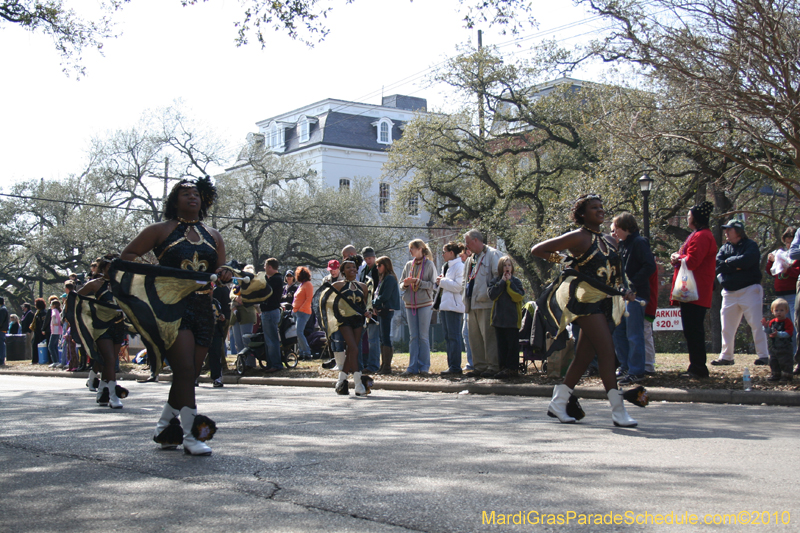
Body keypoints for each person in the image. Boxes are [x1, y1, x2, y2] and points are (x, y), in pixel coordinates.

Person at [119, 176, 231, 455]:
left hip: (205, 309)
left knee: (189, 374)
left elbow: (219, 270)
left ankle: (164, 426)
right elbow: (127, 256)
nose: (191, 197)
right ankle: (193, 436)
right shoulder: (160, 230)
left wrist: (225, 273)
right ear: (174, 201)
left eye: (196, 193)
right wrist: (158, 277)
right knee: (183, 370)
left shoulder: (213, 235)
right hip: (172, 308)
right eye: (184, 193)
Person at [531, 194, 640, 427]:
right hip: (585, 303)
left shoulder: (611, 240)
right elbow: (538, 250)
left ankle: (558, 403)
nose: (600, 210)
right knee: (607, 352)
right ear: (582, 214)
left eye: (601, 206)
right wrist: (564, 260)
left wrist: (626, 290)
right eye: (594, 208)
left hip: (605, 302)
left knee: (583, 357)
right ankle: (618, 410)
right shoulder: (579, 237)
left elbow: (618, 276)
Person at [669, 201, 717, 379]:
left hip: (695, 291)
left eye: (689, 215)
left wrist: (677, 257)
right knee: (691, 329)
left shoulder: (702, 236)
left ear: (696, 218)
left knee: (694, 329)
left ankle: (698, 367)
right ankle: (695, 366)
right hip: (693, 290)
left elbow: (692, 261)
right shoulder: (698, 234)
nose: (687, 217)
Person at [712, 219, 769, 366]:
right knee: (726, 327)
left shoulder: (751, 245)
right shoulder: (725, 248)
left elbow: (747, 261)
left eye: (729, 230)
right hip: (729, 292)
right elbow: (717, 265)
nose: (726, 233)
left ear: (738, 232)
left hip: (749, 290)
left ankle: (763, 356)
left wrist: (728, 264)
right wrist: (735, 266)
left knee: (756, 324)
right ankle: (726, 357)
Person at [76, 254, 127, 408]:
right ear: (103, 268)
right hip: (101, 326)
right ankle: (113, 396)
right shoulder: (94, 284)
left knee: (108, 362)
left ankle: (101, 394)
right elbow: (77, 299)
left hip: (118, 325)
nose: (112, 271)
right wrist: (88, 313)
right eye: (109, 268)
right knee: (110, 360)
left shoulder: (123, 283)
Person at [611, 213, 656, 384]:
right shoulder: (622, 245)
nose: (614, 232)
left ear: (625, 228)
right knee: (619, 331)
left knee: (634, 334)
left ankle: (637, 370)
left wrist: (634, 285)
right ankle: (625, 366)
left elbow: (649, 266)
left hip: (636, 296)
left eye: (616, 229)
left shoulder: (639, 242)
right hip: (622, 295)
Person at [462, 229, 503, 378]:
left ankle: (493, 366)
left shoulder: (493, 255)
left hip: (486, 303)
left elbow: (498, 279)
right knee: (474, 337)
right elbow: (465, 280)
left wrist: (487, 294)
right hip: (471, 304)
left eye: (468, 243)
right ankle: (479, 366)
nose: (467, 247)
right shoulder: (470, 259)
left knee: (489, 337)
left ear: (476, 240)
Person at [330, 260, 372, 396]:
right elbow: (328, 302)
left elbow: (366, 303)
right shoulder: (337, 285)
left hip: (358, 321)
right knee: (354, 348)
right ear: (343, 271)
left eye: (354, 267)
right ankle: (358, 384)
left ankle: (341, 380)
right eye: (348, 267)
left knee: (352, 350)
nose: (352, 269)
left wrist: (368, 311)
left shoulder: (363, 287)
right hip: (344, 321)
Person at [400, 239, 437, 376]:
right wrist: (405, 284)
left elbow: (434, 285)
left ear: (420, 249)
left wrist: (418, 282)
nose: (410, 251)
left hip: (424, 304)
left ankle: (424, 367)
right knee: (413, 336)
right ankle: (412, 367)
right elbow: (400, 283)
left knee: (423, 336)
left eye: (413, 249)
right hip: (410, 304)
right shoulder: (409, 265)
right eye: (410, 249)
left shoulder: (429, 265)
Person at [488, 256, 525, 379]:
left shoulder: (516, 281)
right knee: (501, 346)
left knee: (512, 346)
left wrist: (509, 283)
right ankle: (503, 368)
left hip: (512, 320)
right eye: (504, 265)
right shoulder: (495, 281)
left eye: (509, 265)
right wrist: (502, 282)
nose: (507, 268)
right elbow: (493, 295)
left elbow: (518, 296)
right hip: (499, 319)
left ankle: (512, 369)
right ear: (500, 268)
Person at [766, 227, 798, 356]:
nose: (789, 244)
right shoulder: (782, 254)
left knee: (793, 325)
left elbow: (797, 272)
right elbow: (771, 272)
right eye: (787, 241)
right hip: (780, 295)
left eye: (792, 241)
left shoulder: (796, 256)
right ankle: (783, 351)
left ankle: (795, 352)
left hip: (792, 294)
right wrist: (771, 262)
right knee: (781, 324)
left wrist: (788, 269)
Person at [436, 242, 466, 376]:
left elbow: (458, 286)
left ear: (451, 253)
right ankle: (451, 365)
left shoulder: (460, 267)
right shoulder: (447, 267)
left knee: (454, 337)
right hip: (445, 306)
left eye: (444, 251)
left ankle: (455, 367)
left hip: (454, 307)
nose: (442, 254)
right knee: (448, 337)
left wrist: (442, 282)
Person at [373, 256, 400, 375]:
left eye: (379, 265)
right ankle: (383, 365)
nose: (377, 268)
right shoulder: (383, 278)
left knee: (385, 337)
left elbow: (385, 296)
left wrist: (372, 303)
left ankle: (387, 366)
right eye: (377, 265)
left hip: (386, 309)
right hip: (382, 309)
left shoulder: (389, 278)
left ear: (386, 265)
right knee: (382, 337)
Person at [259, 258, 285, 373]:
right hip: (269, 312)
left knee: (272, 340)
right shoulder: (274, 279)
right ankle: (271, 363)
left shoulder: (276, 279)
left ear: (270, 267)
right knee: (269, 339)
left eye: (265, 266)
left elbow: (264, 288)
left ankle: (276, 364)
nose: (264, 268)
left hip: (271, 312)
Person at [359, 246, 381, 373]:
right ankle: (365, 362)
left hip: (373, 309)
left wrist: (374, 307)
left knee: (373, 338)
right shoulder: (363, 272)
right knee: (365, 338)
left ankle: (374, 365)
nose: (369, 261)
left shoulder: (377, 270)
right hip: (364, 308)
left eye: (371, 258)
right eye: (366, 258)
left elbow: (378, 290)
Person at [761, 298, 794, 383]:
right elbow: (769, 332)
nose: (779, 312)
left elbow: (789, 333)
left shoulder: (787, 322)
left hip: (785, 347)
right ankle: (775, 374)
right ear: (772, 311)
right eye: (776, 310)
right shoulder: (772, 322)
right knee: (773, 361)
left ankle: (787, 376)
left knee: (785, 362)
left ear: (786, 311)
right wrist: (765, 327)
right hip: (775, 346)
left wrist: (778, 334)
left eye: (781, 310)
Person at [292, 266, 314, 360]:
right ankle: (301, 353)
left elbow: (309, 298)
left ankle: (307, 352)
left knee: (299, 332)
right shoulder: (301, 285)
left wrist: (301, 309)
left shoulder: (308, 284)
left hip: (303, 312)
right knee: (298, 333)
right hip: (296, 312)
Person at [30, 298, 47, 365]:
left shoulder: (43, 313)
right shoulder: (38, 312)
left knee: (36, 345)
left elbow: (43, 322)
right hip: (37, 331)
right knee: (34, 345)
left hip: (40, 332)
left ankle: (37, 360)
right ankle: (35, 360)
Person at [0, 297, 8, 366]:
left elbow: (0, 321)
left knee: (1, 345)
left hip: (1, 330)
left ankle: (1, 360)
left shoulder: (2, 309)